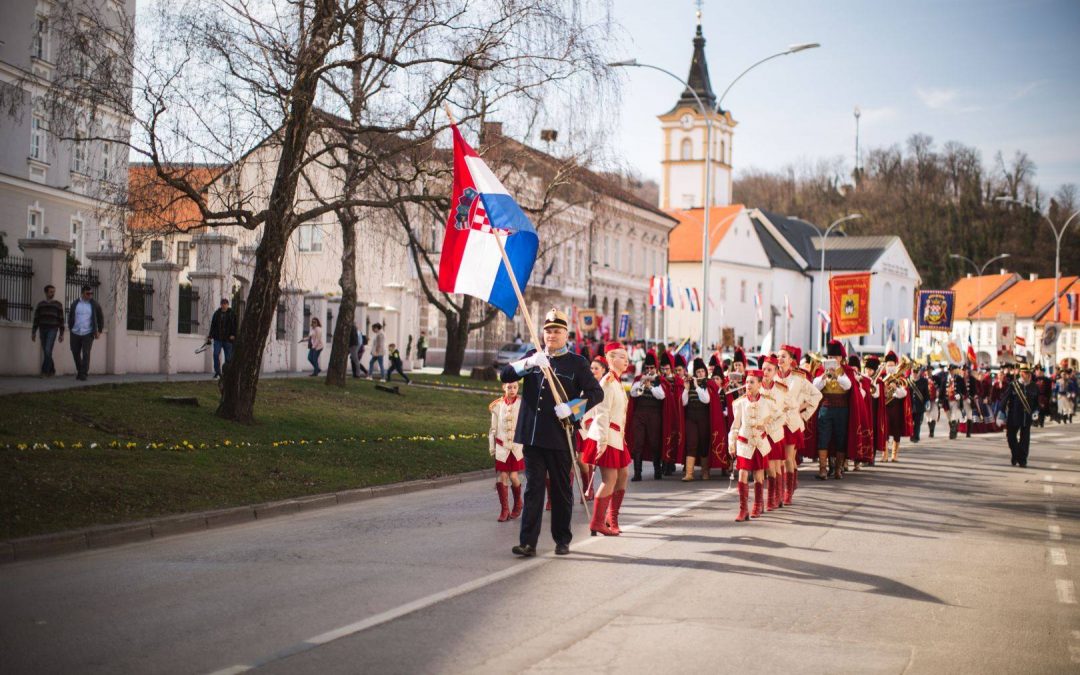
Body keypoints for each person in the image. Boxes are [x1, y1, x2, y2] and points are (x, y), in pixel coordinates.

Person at [501, 308, 603, 557]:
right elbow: (505, 374)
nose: (551, 335)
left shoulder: (576, 363)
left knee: (560, 490)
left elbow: (595, 393)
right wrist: (529, 363)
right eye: (547, 331)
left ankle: (562, 539)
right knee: (533, 489)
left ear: (565, 333)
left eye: (556, 331)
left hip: (560, 436)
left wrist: (572, 408)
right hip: (533, 435)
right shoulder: (533, 356)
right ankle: (528, 543)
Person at [580, 342, 633, 536]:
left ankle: (612, 518)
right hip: (606, 436)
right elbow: (602, 413)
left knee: (623, 474)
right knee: (609, 478)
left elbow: (620, 414)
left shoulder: (617, 382)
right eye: (620, 356)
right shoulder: (608, 382)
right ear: (610, 358)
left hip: (616, 436)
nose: (626, 359)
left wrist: (622, 437)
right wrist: (602, 442)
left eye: (626, 356)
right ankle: (597, 522)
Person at [728, 369, 780, 521]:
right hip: (744, 443)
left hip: (759, 443)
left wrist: (767, 428)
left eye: (752, 382)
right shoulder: (739, 403)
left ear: (759, 384)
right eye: (746, 382)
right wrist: (732, 442)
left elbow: (780, 418)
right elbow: (735, 426)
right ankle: (743, 509)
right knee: (743, 473)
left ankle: (758, 504)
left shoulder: (768, 402)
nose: (748, 385)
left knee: (758, 473)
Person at [777, 344, 822, 485]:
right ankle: (787, 485)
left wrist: (802, 411)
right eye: (778, 356)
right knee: (779, 460)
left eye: (783, 356)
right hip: (776, 424)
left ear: (791, 360)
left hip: (792, 423)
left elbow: (817, 395)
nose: (780, 359)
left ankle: (788, 489)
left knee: (788, 458)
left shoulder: (798, 378)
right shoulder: (773, 377)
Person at [812, 342, 853, 481]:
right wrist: (824, 376)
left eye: (834, 356)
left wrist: (836, 375)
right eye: (829, 356)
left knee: (840, 437)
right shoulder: (821, 370)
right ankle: (823, 469)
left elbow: (848, 385)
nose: (831, 359)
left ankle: (838, 469)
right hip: (826, 407)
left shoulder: (845, 371)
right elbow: (815, 386)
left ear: (840, 358)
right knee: (823, 436)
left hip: (842, 408)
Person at [626, 351, 668, 481]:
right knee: (638, 443)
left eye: (651, 368)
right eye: (647, 368)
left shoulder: (659, 380)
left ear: (656, 368)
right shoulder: (639, 379)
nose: (649, 370)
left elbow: (662, 396)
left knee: (654, 442)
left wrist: (651, 386)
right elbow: (633, 394)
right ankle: (638, 473)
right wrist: (642, 383)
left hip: (654, 414)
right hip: (640, 414)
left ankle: (657, 470)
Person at [489, 381, 524, 522]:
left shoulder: (522, 404)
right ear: (504, 387)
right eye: (509, 387)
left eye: (515, 387)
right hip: (502, 447)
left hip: (516, 447)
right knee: (502, 476)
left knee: (514, 477)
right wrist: (492, 448)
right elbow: (493, 429)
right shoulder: (497, 406)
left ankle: (518, 503)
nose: (512, 390)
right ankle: (504, 510)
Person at [681, 358, 714, 482]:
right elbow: (684, 403)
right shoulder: (689, 384)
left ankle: (705, 471)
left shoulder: (708, 384)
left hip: (703, 417)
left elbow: (706, 400)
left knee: (704, 444)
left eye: (702, 371)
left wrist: (696, 385)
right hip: (691, 417)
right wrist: (686, 388)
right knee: (691, 443)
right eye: (698, 372)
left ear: (705, 372)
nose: (700, 374)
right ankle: (689, 473)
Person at [1003, 364, 1039, 467]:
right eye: (1023, 372)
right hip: (1013, 416)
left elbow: (1036, 403)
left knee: (1025, 439)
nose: (1025, 375)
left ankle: (1022, 460)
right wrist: (1001, 412)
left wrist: (1036, 411)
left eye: (1027, 373)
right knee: (1011, 437)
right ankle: (1016, 454)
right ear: (1020, 373)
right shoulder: (1013, 385)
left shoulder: (1033, 386)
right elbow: (1005, 399)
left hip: (1026, 417)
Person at [67, 285, 104, 381]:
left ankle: (83, 373)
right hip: (75, 332)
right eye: (88, 293)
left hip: (88, 332)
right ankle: (80, 370)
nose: (90, 295)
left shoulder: (94, 304)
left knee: (86, 353)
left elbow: (100, 317)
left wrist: (99, 331)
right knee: (75, 352)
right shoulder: (75, 303)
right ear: (82, 293)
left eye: (91, 293)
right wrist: (70, 327)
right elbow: (71, 315)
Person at [881, 352, 910, 462]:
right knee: (885, 431)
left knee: (896, 431)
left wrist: (895, 388)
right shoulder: (882, 378)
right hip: (885, 407)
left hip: (896, 408)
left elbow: (904, 393)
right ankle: (885, 454)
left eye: (892, 365)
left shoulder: (900, 378)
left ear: (896, 365)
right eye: (888, 365)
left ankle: (894, 454)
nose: (890, 367)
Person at [31, 284, 65, 377]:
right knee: (47, 351)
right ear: (46, 292)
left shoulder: (58, 304)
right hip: (42, 329)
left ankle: (44, 372)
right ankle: (52, 370)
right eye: (51, 292)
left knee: (47, 349)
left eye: (53, 292)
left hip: (53, 329)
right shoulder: (40, 304)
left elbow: (61, 319)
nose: (52, 293)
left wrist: (61, 333)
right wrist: (33, 332)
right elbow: (36, 319)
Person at [207, 298, 237, 378]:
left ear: (228, 305)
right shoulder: (217, 314)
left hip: (228, 339)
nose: (224, 306)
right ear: (221, 305)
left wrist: (234, 335)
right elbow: (213, 325)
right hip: (218, 339)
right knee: (216, 354)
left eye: (225, 304)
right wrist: (210, 336)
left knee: (228, 358)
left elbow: (235, 326)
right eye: (222, 304)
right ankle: (217, 372)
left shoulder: (232, 314)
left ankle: (227, 373)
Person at [908, 366, 929, 442]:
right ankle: (911, 434)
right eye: (914, 372)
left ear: (919, 372)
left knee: (917, 422)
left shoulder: (924, 381)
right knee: (911, 422)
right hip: (910, 405)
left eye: (916, 372)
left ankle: (916, 436)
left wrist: (927, 401)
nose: (915, 374)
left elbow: (926, 393)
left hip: (919, 405)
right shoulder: (907, 380)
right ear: (911, 372)